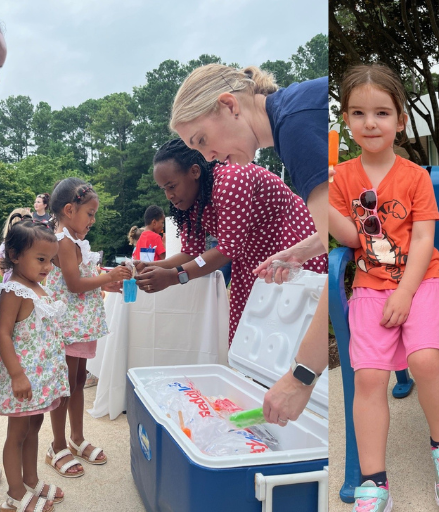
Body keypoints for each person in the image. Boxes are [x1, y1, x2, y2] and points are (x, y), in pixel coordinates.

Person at [329, 64, 439, 510]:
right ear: (346, 119)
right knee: (369, 376)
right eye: (359, 113)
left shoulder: (413, 176)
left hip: (422, 282)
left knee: (424, 359)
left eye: (382, 113)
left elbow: (425, 239)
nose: (371, 123)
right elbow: (350, 239)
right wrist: (321, 196)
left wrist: (405, 292)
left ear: (401, 119)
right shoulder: (342, 178)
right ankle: (373, 481)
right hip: (370, 288)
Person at [167, 63, 331, 427]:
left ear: (229, 105)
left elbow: (338, 271)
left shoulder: (296, 130)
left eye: (202, 140)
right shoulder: (292, 118)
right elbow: (333, 232)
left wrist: (301, 377)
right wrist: (303, 250)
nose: (207, 156)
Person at [135, 139, 326, 343]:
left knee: (292, 327)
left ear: (194, 171)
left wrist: (175, 276)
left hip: (289, 241)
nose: (169, 195)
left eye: (171, 186)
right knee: (255, 336)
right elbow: (191, 253)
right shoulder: (190, 202)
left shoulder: (232, 179)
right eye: (163, 189)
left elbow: (228, 249)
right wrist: (153, 266)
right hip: (251, 256)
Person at [43, 178, 131, 480]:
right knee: (64, 386)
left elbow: (86, 276)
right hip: (66, 325)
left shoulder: (78, 241)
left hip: (80, 324)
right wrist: (106, 279)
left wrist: (111, 283)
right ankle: (56, 445)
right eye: (90, 213)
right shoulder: (63, 242)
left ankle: (76, 437)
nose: (93, 220)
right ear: (69, 210)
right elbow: (74, 283)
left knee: (79, 380)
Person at [0, 221, 66, 511]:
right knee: (17, 433)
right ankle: (14, 492)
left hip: (41, 379)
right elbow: (2, 332)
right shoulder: (14, 289)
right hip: (25, 378)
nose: (48, 267)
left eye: (50, 260)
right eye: (41, 259)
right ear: (14, 254)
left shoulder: (36, 286)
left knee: (34, 426)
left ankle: (31, 479)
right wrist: (16, 375)